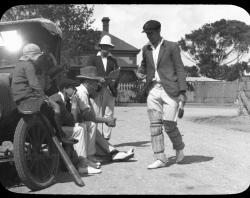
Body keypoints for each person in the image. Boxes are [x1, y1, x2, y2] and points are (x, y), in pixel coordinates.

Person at [136, 20, 187, 169]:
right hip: (153, 89)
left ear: (159, 31)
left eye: (151, 33)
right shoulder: (146, 49)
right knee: (155, 126)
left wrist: (182, 92)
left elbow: (179, 69)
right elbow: (144, 66)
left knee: (169, 125)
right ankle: (160, 158)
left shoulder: (172, 46)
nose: (148, 37)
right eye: (146, 34)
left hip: (170, 90)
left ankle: (179, 148)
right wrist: (140, 72)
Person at [11, 43, 76, 145]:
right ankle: (61, 135)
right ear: (31, 56)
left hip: (18, 97)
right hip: (29, 96)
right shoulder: (29, 65)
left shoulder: (18, 65)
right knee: (56, 107)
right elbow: (34, 83)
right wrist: (43, 96)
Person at [74, 66, 134, 163]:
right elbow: (89, 117)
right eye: (94, 82)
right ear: (87, 82)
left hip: (77, 122)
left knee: (92, 127)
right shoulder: (82, 93)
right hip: (74, 124)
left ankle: (112, 152)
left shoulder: (83, 91)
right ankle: (96, 155)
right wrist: (107, 120)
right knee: (91, 125)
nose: (96, 85)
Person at [49, 78, 102, 174]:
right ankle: (82, 165)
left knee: (91, 125)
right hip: (54, 130)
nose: (75, 90)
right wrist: (74, 104)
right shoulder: (58, 99)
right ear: (65, 89)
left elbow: (75, 119)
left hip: (61, 127)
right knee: (79, 129)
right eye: (72, 88)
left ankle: (87, 158)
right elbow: (71, 122)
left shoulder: (65, 99)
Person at [87, 35, 120, 141]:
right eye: (104, 47)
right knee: (95, 113)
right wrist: (97, 79)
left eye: (108, 47)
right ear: (100, 47)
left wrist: (114, 82)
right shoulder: (93, 59)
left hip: (109, 90)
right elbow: (87, 73)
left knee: (109, 113)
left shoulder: (113, 60)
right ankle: (95, 140)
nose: (106, 49)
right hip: (97, 89)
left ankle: (106, 139)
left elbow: (117, 75)